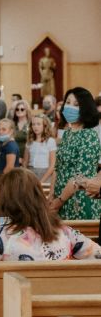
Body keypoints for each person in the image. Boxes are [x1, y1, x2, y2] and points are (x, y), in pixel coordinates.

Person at [0, 169, 100, 262]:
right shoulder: (65, 232)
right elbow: (97, 254)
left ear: (4, 202)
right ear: (39, 196)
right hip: (64, 287)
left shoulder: (1, 240)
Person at [50, 87, 101, 221]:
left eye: (76, 104)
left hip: (79, 200)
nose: (70, 107)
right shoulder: (67, 134)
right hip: (60, 198)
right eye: (68, 102)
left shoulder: (89, 136)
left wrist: (60, 201)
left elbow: (79, 177)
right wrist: (52, 195)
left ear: (85, 109)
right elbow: (57, 167)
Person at [23, 113, 57, 183]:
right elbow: (25, 162)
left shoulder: (50, 141)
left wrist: (42, 181)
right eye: (33, 124)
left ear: (44, 126)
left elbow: (52, 165)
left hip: (45, 174)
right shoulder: (30, 141)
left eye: (38, 124)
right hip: (30, 173)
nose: (35, 127)